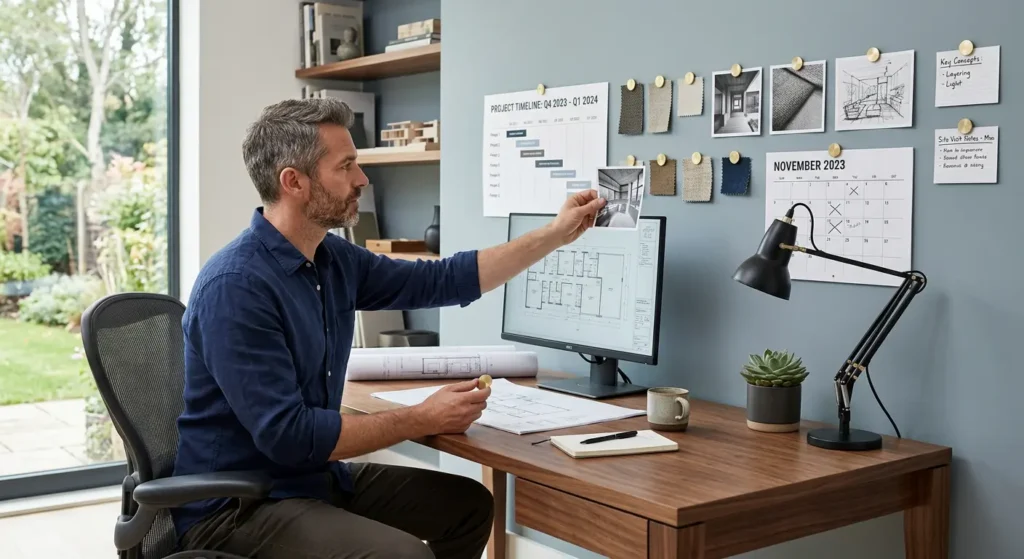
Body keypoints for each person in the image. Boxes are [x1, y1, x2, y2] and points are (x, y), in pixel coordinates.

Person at [170, 97, 606, 559]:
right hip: (239, 507)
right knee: (403, 556)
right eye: (347, 166)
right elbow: (290, 436)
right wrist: (422, 417)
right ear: (293, 182)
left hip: (312, 478)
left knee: (467, 506)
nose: (362, 179)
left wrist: (556, 233)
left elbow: (444, 278)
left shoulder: (332, 259)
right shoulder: (236, 286)